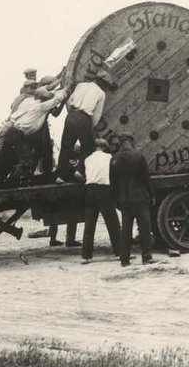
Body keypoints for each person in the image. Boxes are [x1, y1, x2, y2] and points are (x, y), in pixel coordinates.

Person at [0, 85, 67, 187]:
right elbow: (56, 100)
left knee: (6, 156)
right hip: (17, 133)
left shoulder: (29, 102)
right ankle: (12, 181)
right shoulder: (41, 107)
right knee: (26, 156)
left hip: (13, 131)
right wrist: (66, 89)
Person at [57, 69, 116, 182]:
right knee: (88, 147)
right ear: (102, 83)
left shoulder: (81, 85)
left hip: (71, 116)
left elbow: (69, 102)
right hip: (84, 118)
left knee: (66, 147)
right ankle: (80, 171)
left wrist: (72, 114)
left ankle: (60, 176)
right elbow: (96, 116)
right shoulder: (101, 93)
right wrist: (89, 127)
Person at [110, 133, 156, 266]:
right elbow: (146, 179)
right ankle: (146, 257)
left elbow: (112, 184)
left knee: (126, 230)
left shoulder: (114, 160)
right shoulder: (138, 156)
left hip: (124, 200)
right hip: (140, 198)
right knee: (144, 228)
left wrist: (116, 200)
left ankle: (124, 259)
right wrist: (152, 195)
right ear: (131, 142)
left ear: (120, 143)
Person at [80, 138, 121, 264]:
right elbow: (115, 174)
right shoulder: (109, 157)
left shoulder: (87, 159)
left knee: (89, 224)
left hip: (90, 190)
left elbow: (78, 174)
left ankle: (87, 256)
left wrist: (86, 179)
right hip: (104, 190)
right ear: (104, 147)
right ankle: (119, 252)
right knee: (112, 222)